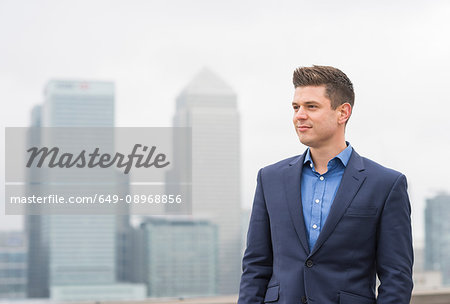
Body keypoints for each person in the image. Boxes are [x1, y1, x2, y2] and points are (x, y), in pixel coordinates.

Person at [238, 65, 413, 304]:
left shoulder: (386, 184)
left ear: (343, 113)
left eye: (311, 106)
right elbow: (255, 267)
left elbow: (396, 278)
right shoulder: (270, 178)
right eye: (296, 107)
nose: (300, 115)